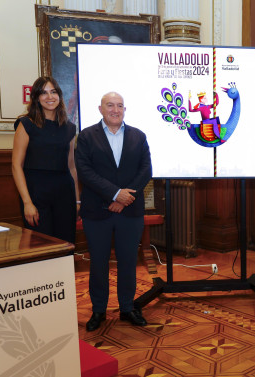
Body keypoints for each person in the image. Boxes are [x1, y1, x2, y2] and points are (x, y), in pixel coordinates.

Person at [76, 92, 153, 332]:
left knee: (128, 262)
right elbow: (84, 171)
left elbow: (146, 170)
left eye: (120, 106)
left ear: (124, 110)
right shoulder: (87, 136)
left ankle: (127, 308)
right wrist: (114, 194)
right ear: (100, 109)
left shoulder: (138, 136)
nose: (115, 110)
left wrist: (123, 199)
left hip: (129, 211)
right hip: (97, 211)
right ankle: (98, 310)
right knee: (98, 263)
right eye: (110, 105)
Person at [12, 76, 79, 246]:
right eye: (43, 93)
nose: (50, 97)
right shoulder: (26, 124)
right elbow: (16, 166)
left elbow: (72, 166)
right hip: (36, 193)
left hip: (65, 193)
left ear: (59, 95)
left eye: (53, 92)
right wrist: (27, 202)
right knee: (39, 245)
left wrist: (77, 200)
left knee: (65, 244)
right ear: (36, 97)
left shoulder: (70, 128)